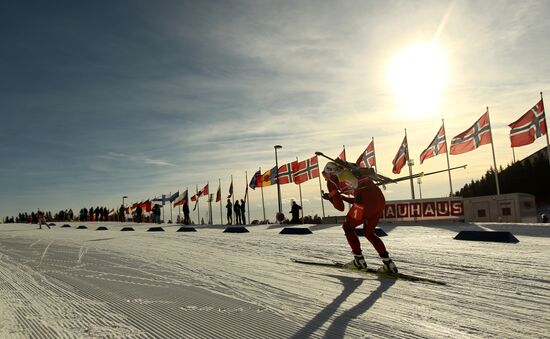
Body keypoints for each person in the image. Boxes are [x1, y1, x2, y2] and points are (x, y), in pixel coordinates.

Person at [322, 160, 398, 273]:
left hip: (364, 202)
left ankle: (359, 261)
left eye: (324, 174)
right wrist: (342, 197)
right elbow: (361, 197)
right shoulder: (352, 170)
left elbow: (340, 208)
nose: (325, 178)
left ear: (329, 172)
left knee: (347, 227)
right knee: (369, 232)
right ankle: (388, 263)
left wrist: (332, 198)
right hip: (379, 200)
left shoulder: (331, 181)